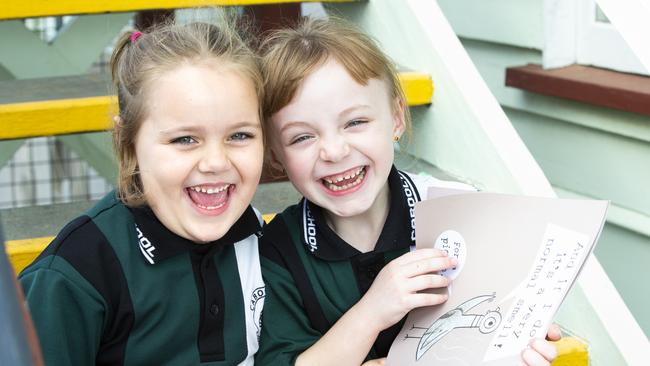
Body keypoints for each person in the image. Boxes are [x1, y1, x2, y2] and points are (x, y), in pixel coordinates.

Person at [255, 18, 560, 366]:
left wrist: (517, 336)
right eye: (302, 137)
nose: (334, 151)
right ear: (276, 157)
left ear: (396, 118)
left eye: (355, 122)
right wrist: (373, 311)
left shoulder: (457, 211)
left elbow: (488, 331)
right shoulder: (277, 249)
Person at [19, 19, 266, 366]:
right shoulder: (75, 275)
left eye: (239, 135)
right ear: (129, 144)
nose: (215, 162)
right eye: (185, 139)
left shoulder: (256, 234)